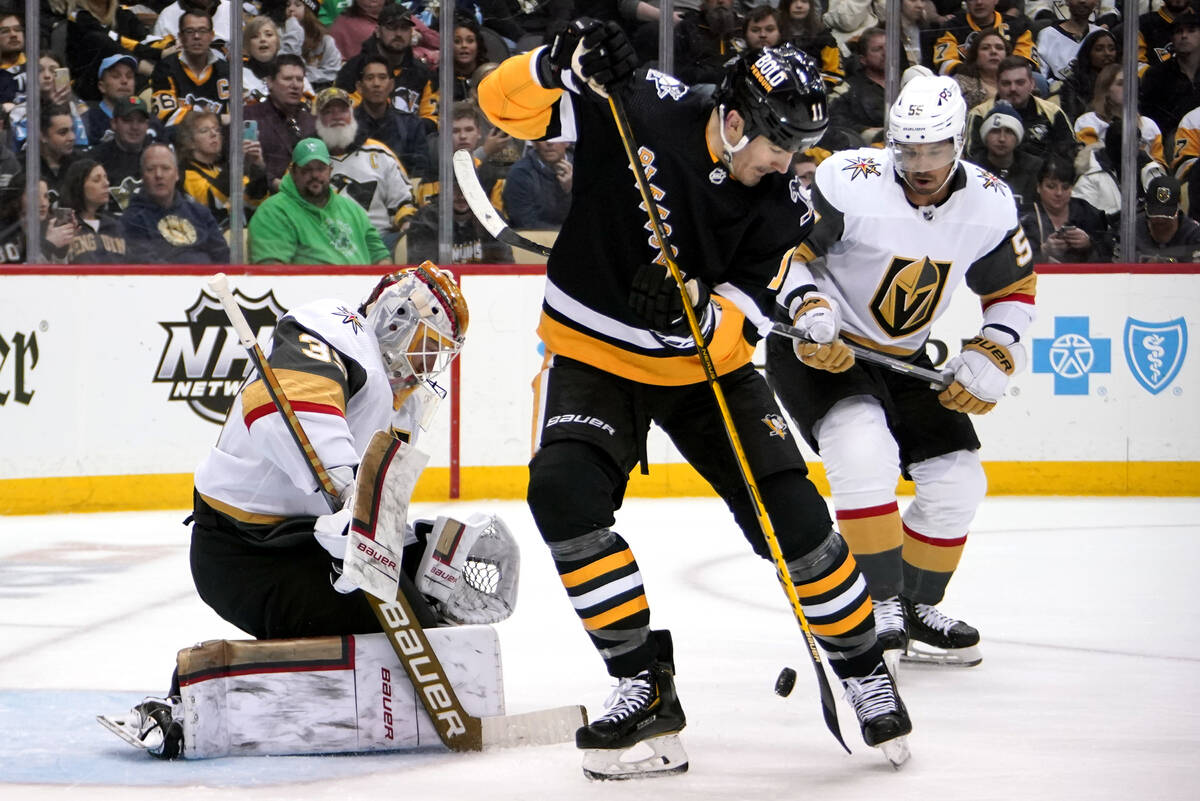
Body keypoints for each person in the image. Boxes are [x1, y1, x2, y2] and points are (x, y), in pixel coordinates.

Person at [479, 27, 910, 778]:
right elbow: (499, 106)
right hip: (590, 351)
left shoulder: (780, 203)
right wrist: (557, 63)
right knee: (562, 494)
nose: (787, 164)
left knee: (798, 523)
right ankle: (641, 683)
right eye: (780, 145)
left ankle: (863, 661)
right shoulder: (638, 106)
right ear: (738, 120)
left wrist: (696, 317)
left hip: (705, 372)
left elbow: (743, 315)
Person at [106, 264, 521, 761]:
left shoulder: (401, 404)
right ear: (397, 318)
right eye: (427, 344)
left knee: (418, 607)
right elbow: (279, 409)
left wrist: (408, 541)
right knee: (393, 627)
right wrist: (351, 501)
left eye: (439, 355)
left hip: (301, 543)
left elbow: (362, 510)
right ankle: (194, 695)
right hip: (244, 553)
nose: (428, 363)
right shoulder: (335, 327)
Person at [764, 74, 1037, 681]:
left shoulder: (991, 202)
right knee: (864, 450)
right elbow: (784, 252)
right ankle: (873, 601)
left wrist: (996, 350)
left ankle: (911, 607)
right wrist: (809, 309)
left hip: (907, 357)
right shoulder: (846, 179)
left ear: (959, 142)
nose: (920, 164)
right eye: (909, 150)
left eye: (934, 150)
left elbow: (1013, 289)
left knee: (958, 480)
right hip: (820, 348)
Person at [248, 137, 391, 265]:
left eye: (321, 168)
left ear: (330, 170)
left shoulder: (352, 209)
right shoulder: (274, 212)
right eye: (306, 169)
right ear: (293, 172)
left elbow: (380, 256)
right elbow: (272, 273)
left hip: (363, 291)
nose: (315, 175)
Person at [313, 86, 417, 251]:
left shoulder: (380, 153)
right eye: (329, 112)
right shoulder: (306, 160)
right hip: (324, 245)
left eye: (343, 110)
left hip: (378, 241)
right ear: (318, 119)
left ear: (352, 115)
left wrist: (406, 223)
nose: (337, 117)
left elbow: (403, 201)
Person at [122, 142, 231, 263]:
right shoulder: (132, 218)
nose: (159, 175)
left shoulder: (200, 213)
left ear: (177, 174)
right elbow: (146, 265)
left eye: (165, 168)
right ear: (142, 176)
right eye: (151, 169)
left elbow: (223, 258)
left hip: (208, 279)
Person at [335, 3, 437, 130]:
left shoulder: (422, 73)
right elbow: (343, 115)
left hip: (411, 144)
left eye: (404, 28)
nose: (398, 33)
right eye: (392, 27)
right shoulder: (353, 70)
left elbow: (433, 118)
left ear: (412, 33)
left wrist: (408, 130)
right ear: (378, 31)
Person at [966, 56, 1078, 165]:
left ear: (1032, 84)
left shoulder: (1052, 111)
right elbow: (973, 158)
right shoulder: (979, 114)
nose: (1013, 88)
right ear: (997, 85)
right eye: (1006, 83)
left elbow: (1069, 152)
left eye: (1020, 82)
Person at [176, 109, 269, 229]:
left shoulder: (223, 168)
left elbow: (256, 202)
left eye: (217, 129)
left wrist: (258, 167)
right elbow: (212, 202)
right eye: (204, 131)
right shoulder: (184, 173)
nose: (214, 134)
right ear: (190, 142)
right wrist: (236, 162)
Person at [245, 53, 318, 189]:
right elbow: (239, 167)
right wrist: (272, 181)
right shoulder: (249, 117)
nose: (295, 85)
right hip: (263, 199)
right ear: (270, 82)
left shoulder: (311, 122)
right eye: (287, 79)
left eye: (299, 79)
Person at [1019, 156, 1111, 263]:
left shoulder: (1086, 212)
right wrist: (1043, 250)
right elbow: (1013, 259)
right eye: (1051, 186)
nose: (1059, 193)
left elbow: (1108, 251)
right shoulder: (1024, 217)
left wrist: (1089, 244)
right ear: (1038, 187)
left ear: (1072, 188)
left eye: (1065, 187)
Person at [351, 54, 430, 178]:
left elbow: (419, 168)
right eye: (370, 78)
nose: (376, 84)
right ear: (359, 87)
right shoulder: (347, 125)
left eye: (382, 77)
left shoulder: (411, 125)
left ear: (391, 85)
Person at [1073, 64, 1166, 169]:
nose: (1128, 88)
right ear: (1106, 89)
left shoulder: (1149, 125)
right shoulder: (1088, 122)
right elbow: (1087, 162)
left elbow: (1161, 167)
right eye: (1121, 83)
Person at [150, 10, 232, 128]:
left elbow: (237, 117)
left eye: (202, 31)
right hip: (178, 142)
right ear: (180, 37)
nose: (197, 36)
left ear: (212, 36)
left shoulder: (225, 70)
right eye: (190, 31)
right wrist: (218, 118)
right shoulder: (165, 67)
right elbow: (166, 115)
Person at [927, 0, 1037, 76]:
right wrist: (982, 75)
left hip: (1010, 82)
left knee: (1037, 79)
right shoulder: (951, 28)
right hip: (967, 84)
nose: (979, 2)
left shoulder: (1018, 26)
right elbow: (945, 65)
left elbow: (1027, 62)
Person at [970, 101, 1042, 213]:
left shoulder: (1035, 168)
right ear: (985, 136)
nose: (1002, 139)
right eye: (995, 131)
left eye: (1009, 132)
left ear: (1018, 137)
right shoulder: (971, 170)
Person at [1140, 11, 1200, 140]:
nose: (1184, 36)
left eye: (1191, 30)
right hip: (1169, 139)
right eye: (1178, 32)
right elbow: (1150, 118)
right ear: (1172, 39)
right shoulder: (1156, 75)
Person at [59, 158, 128, 263]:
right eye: (97, 180)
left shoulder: (115, 225)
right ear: (79, 186)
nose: (106, 183)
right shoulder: (64, 227)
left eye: (106, 178)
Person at [501, 139, 572, 230]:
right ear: (534, 142)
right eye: (544, 137)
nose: (549, 143)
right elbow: (525, 223)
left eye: (557, 136)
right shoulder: (520, 173)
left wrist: (570, 191)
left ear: (567, 142)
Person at [90, 95, 155, 192]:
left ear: (147, 125)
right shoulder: (95, 160)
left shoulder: (157, 158)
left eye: (141, 121)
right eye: (128, 120)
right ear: (114, 123)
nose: (135, 127)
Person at [1055, 28, 1118, 124]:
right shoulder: (1074, 83)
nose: (1107, 53)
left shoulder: (1125, 81)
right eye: (1099, 49)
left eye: (1111, 49)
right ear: (1088, 54)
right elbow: (1070, 120)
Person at [1136, 175, 1200, 262]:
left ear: (1178, 207)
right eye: (1155, 214)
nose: (1160, 219)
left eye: (1167, 214)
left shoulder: (1194, 235)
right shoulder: (1133, 231)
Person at [283, 0, 343, 91]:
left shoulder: (326, 41)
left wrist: (307, 74)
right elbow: (287, 64)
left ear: (309, 11)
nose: (290, 9)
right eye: (288, 5)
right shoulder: (281, 35)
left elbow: (332, 73)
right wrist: (294, 32)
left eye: (297, 5)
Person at [783, 0, 842, 90]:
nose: (799, 5)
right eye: (793, 1)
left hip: (814, 92)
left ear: (811, 5)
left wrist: (814, 89)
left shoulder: (824, 38)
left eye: (804, 1)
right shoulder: (774, 33)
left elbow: (834, 76)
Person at [1036, 0, 1100, 81]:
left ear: (1096, 2)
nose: (1082, 1)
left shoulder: (1102, 35)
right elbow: (1041, 79)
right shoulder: (1047, 35)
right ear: (1066, 1)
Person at [951, 27, 1008, 110]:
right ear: (975, 56)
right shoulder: (959, 85)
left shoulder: (1018, 82)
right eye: (985, 48)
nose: (993, 51)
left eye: (999, 48)